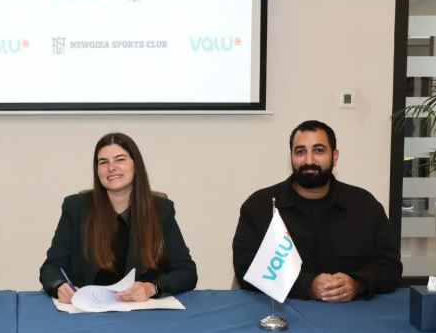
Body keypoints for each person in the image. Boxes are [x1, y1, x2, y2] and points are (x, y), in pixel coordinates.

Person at [232, 120, 402, 302]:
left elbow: (390, 266)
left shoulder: (364, 205)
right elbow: (246, 268)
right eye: (300, 152)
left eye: (319, 150)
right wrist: (307, 286)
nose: (309, 160)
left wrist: (358, 284)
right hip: (284, 310)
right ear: (291, 157)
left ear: (334, 156)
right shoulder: (259, 207)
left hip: (353, 312)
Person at [40, 132, 197, 302]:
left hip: (141, 310)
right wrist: (59, 285)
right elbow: (51, 268)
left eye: (120, 159)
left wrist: (151, 287)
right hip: (87, 310)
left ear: (135, 165)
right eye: (103, 162)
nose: (111, 167)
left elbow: (186, 272)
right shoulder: (76, 208)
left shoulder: (160, 210)